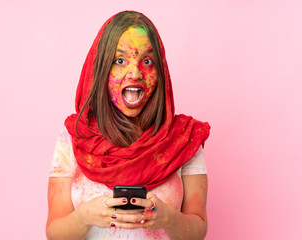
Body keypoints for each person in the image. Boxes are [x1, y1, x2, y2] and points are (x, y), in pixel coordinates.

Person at [46, 11, 210, 240]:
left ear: (160, 70)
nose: (134, 73)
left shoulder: (184, 139)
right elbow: (54, 234)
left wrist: (168, 219)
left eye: (147, 61)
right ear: (101, 69)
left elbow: (198, 231)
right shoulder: (74, 136)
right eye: (120, 61)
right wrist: (84, 217)